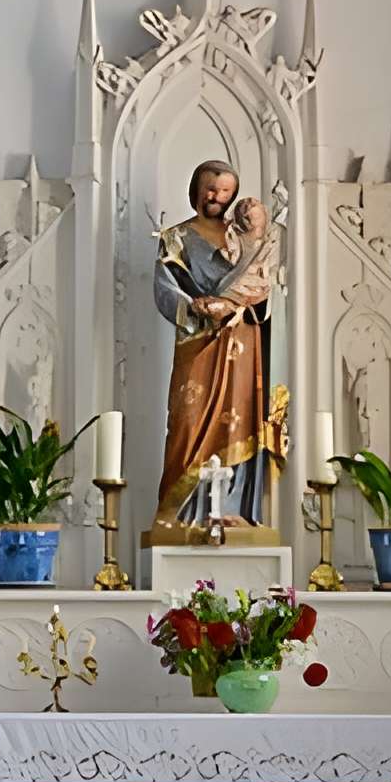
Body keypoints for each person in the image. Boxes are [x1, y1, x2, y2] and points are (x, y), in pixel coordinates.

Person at [150, 161, 273, 535]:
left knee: (239, 423)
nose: (215, 197)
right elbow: (164, 286)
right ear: (196, 188)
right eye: (209, 188)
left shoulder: (246, 241)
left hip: (242, 345)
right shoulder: (176, 238)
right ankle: (180, 514)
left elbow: (266, 290)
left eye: (223, 191)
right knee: (187, 423)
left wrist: (236, 306)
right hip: (198, 343)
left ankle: (235, 512)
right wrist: (199, 308)